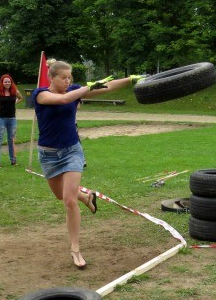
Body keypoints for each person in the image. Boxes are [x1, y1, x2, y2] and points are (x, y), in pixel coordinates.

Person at [34, 59, 143, 269]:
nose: (67, 81)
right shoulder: (40, 94)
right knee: (60, 195)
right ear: (52, 77)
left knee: (68, 201)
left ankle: (75, 249)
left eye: (70, 78)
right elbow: (64, 99)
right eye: (63, 77)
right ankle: (86, 196)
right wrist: (85, 88)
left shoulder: (76, 90)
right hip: (47, 155)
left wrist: (130, 79)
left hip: (71, 151)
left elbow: (107, 87)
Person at [0, 74, 24, 167]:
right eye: (5, 81)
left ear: (11, 82)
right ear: (2, 83)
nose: (7, 83)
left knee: (11, 139)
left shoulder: (15, 91)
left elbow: (21, 98)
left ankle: (13, 160)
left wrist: (15, 103)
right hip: (1, 118)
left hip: (12, 118)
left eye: (9, 81)